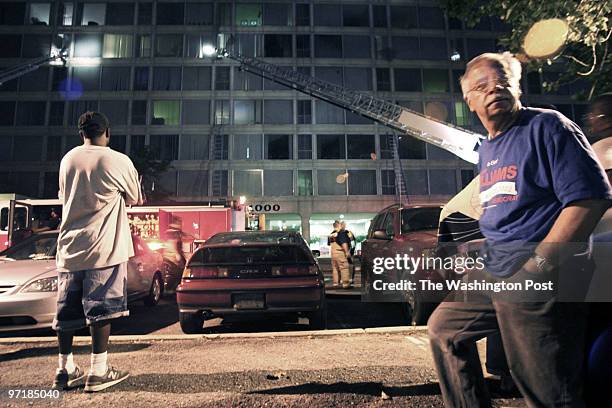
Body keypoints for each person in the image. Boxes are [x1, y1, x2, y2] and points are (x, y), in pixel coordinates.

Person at [427, 52, 612, 407]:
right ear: (469, 99)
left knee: (544, 385)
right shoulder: (489, 150)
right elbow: (508, 208)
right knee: (444, 331)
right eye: (482, 85)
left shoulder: (548, 126)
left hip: (546, 267)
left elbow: (589, 200)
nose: (493, 88)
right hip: (499, 263)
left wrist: (538, 266)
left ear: (517, 87)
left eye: (502, 81)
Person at [52, 111, 143, 392]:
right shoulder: (117, 159)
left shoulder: (68, 159)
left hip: (70, 247)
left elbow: (63, 196)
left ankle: (64, 369)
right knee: (101, 310)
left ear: (81, 134)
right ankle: (98, 371)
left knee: (66, 312)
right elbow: (135, 198)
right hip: (103, 248)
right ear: (108, 132)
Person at [328, 220, 351, 288]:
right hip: (340, 252)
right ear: (339, 225)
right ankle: (345, 284)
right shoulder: (341, 233)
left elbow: (329, 244)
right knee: (344, 268)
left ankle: (335, 283)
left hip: (333, 253)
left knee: (335, 268)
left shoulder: (331, 234)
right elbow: (343, 243)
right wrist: (346, 251)